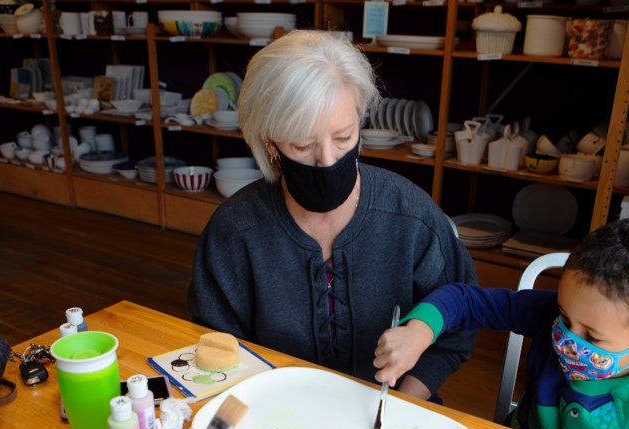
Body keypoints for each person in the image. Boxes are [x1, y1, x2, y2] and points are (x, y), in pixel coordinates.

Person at [189, 30, 477, 400]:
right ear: (269, 142)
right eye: (303, 144)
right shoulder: (235, 232)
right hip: (277, 411)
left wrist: (406, 400)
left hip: (395, 412)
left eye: (343, 137)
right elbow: (219, 350)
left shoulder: (411, 218)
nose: (327, 160)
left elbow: (459, 324)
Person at [374, 217, 629, 429]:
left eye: (592, 337)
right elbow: (463, 300)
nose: (567, 339)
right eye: (564, 316)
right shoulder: (548, 315)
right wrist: (419, 330)